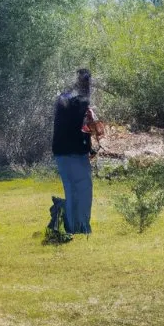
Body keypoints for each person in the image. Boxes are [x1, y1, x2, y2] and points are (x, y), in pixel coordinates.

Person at [52, 69, 97, 235]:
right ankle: (79, 228)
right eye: (86, 82)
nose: (88, 86)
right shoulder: (77, 101)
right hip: (71, 152)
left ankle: (73, 225)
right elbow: (83, 125)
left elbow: (78, 127)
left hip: (65, 151)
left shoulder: (66, 98)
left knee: (75, 190)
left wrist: (89, 147)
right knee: (80, 190)